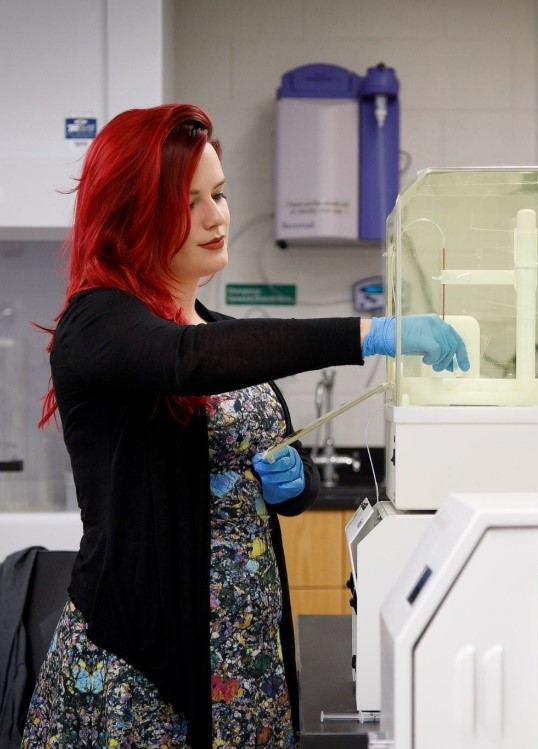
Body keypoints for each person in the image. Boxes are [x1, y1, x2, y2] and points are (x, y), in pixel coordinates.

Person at [21, 104, 469, 749]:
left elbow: (272, 465)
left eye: (220, 193)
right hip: (139, 670)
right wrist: (370, 332)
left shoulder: (219, 332)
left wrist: (296, 484)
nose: (217, 216)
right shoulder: (96, 322)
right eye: (189, 202)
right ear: (132, 214)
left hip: (246, 657)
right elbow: (186, 361)